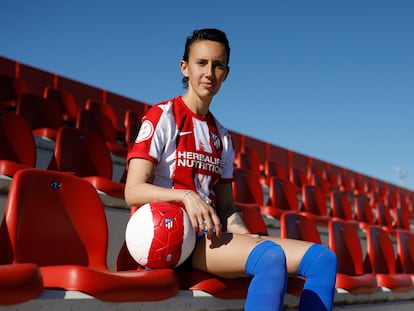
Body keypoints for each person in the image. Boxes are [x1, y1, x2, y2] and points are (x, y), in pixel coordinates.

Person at [124, 28, 337, 311]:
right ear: (185, 68)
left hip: (209, 237)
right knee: (271, 259)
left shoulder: (222, 136)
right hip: (172, 235)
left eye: (218, 65)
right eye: (201, 63)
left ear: (226, 72)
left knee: (323, 260)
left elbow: (226, 208)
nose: (209, 72)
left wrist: (245, 235)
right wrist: (186, 197)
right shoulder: (163, 116)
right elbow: (132, 191)